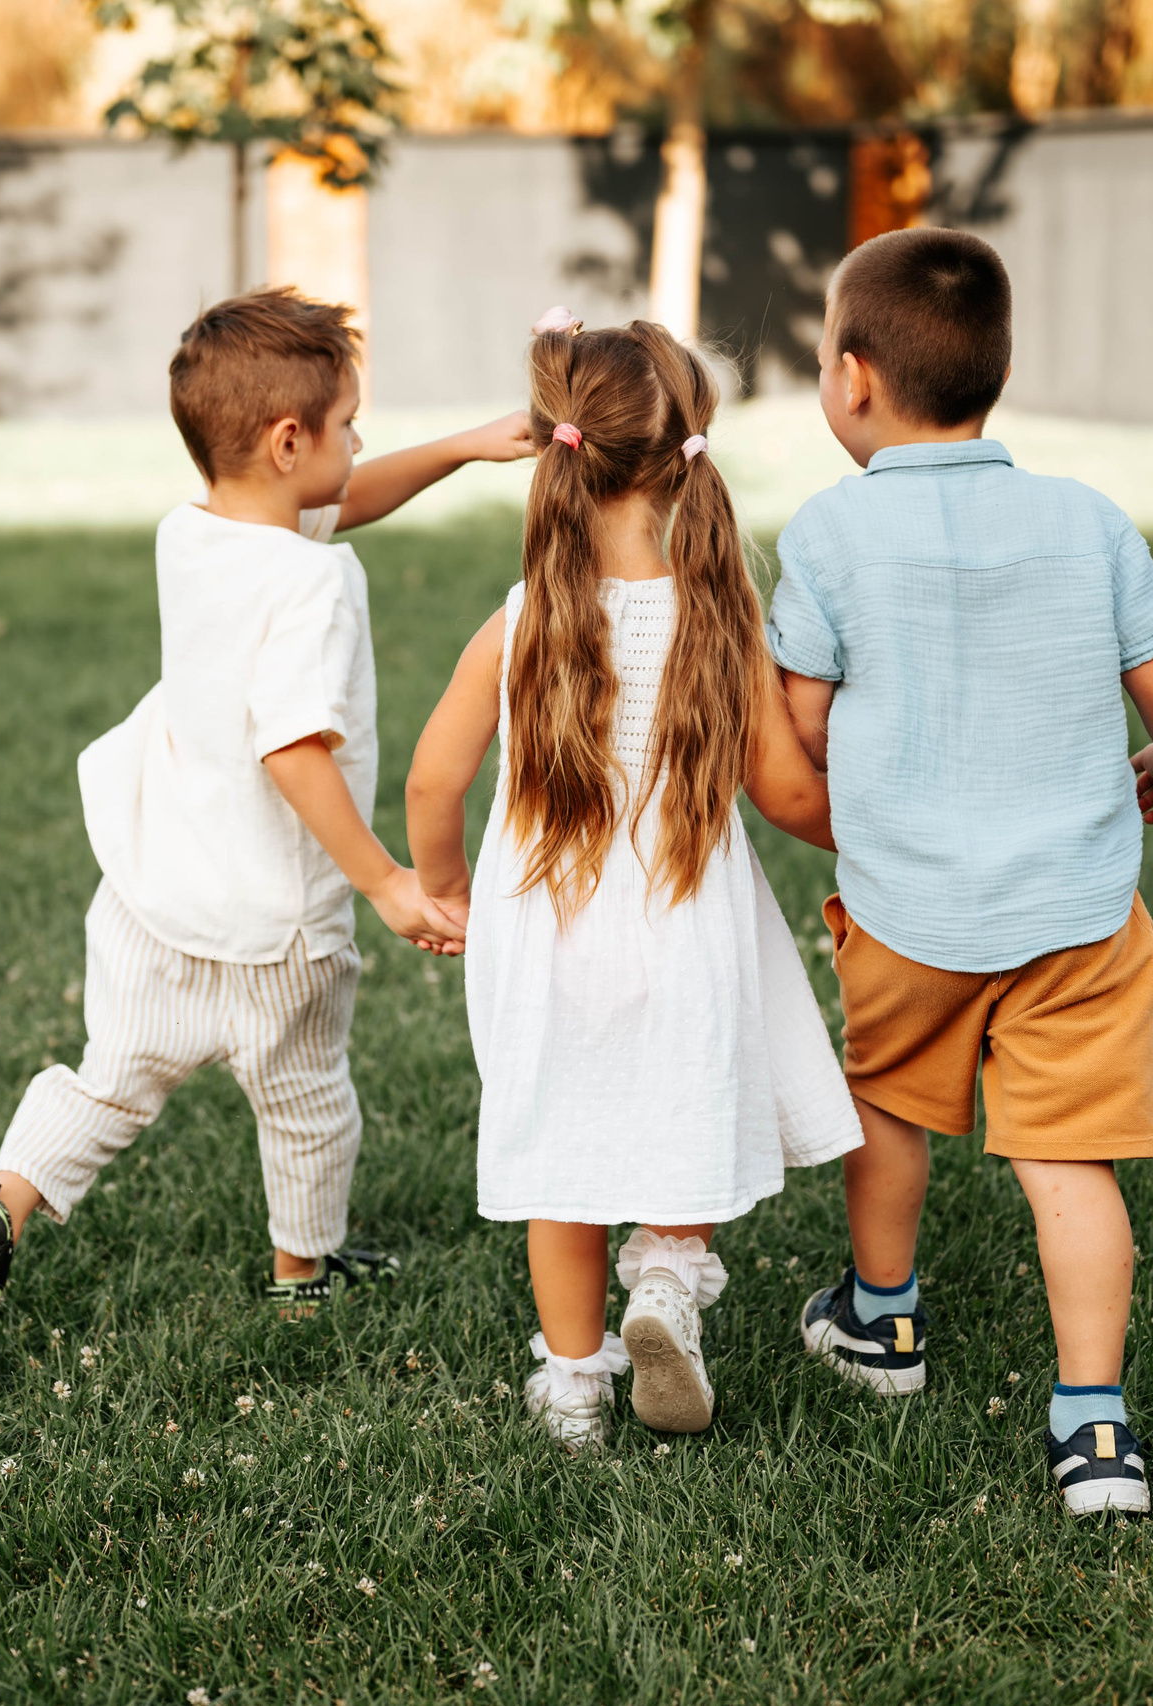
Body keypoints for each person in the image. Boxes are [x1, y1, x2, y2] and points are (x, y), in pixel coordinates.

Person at [0, 288, 537, 1394]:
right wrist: (384, 878)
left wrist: (471, 447)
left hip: (154, 895)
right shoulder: (314, 582)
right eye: (348, 424)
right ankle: (301, 1272)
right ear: (292, 440)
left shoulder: (194, 532)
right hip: (276, 923)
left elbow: (330, 499)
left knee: (107, 1083)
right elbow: (292, 746)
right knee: (305, 1100)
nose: (358, 442)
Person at [771, 229, 1153, 1514]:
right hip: (1075, 909)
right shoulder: (1085, 517)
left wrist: (863, 790)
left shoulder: (833, 532)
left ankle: (884, 1323)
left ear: (852, 378)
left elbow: (799, 718)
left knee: (889, 1108)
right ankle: (1094, 1428)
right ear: (997, 370)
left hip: (908, 903)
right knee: (1070, 1161)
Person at [405, 312, 861, 1447]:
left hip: (544, 937)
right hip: (687, 933)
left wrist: (443, 888)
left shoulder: (520, 621)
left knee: (559, 1157)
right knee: (688, 1112)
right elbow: (791, 797)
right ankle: (665, 1280)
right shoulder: (718, 619)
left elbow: (431, 777)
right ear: (683, 455)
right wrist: (886, 821)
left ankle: (572, 1384)